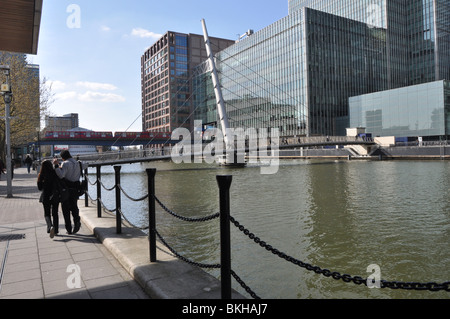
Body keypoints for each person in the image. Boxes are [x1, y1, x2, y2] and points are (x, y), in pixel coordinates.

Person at [53, 150, 81, 234]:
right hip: (76, 188)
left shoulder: (65, 163)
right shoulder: (78, 163)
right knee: (74, 206)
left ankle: (69, 228)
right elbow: (86, 165)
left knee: (65, 208)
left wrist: (56, 165)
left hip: (66, 189)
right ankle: (77, 221)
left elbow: (61, 175)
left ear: (63, 157)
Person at [37, 160, 60, 238]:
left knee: (47, 213)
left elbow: (39, 188)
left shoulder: (41, 175)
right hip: (54, 195)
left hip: (46, 196)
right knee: (55, 213)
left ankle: (50, 226)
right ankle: (56, 230)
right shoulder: (54, 173)